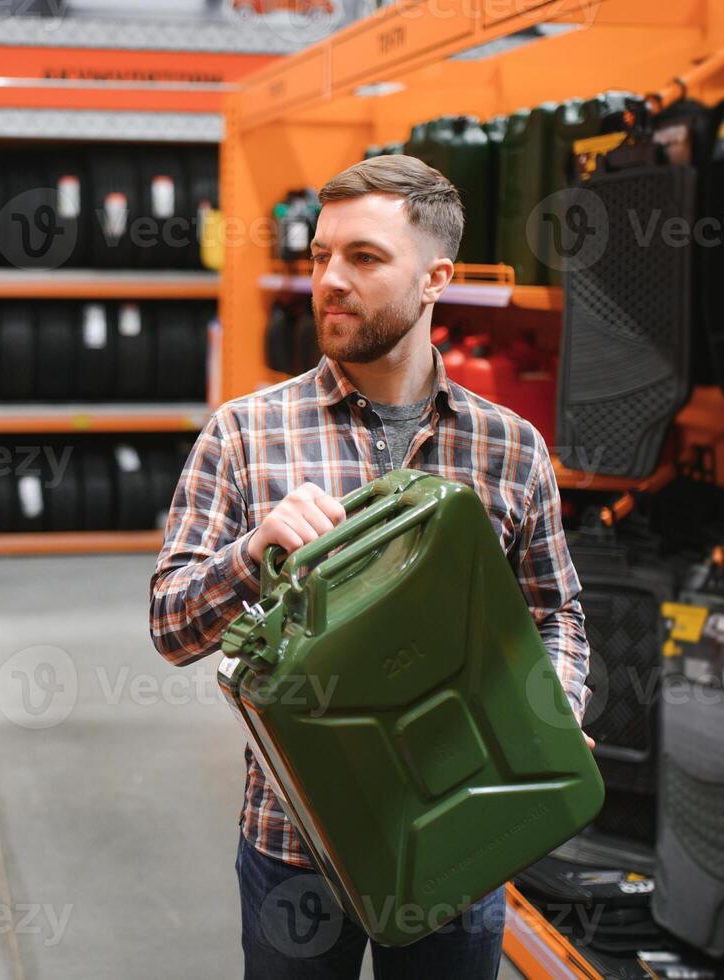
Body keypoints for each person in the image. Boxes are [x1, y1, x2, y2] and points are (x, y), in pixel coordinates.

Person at [148, 154, 592, 979]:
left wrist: (549, 707)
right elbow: (171, 627)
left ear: (435, 279)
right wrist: (250, 554)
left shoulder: (507, 448)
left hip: (464, 823)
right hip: (295, 844)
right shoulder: (245, 434)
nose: (329, 279)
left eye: (363, 258)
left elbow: (555, 612)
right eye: (320, 256)